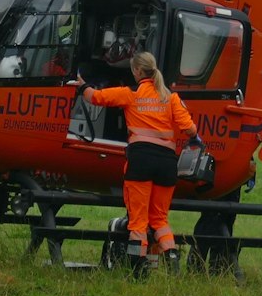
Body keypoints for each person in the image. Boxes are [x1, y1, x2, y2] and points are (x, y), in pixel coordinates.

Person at [80, 52, 196, 276]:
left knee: (138, 222)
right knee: (160, 219)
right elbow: (190, 129)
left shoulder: (129, 95)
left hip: (141, 162)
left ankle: (137, 270)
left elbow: (95, 97)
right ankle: (172, 260)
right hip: (167, 164)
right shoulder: (170, 98)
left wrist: (80, 84)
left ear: (137, 72)